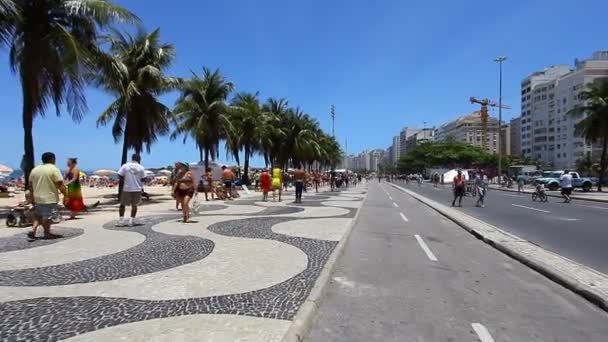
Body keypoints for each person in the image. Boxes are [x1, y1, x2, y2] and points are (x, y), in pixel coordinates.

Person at [28, 152, 66, 239]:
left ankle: (33, 230)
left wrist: (31, 198)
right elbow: (60, 184)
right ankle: (47, 233)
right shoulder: (54, 169)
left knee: (38, 216)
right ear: (52, 159)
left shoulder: (35, 170)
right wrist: (66, 194)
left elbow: (30, 186)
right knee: (47, 217)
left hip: (37, 197)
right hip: (49, 197)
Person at [116, 154, 145, 227]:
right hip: (137, 188)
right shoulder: (141, 168)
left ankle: (121, 221)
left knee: (122, 204)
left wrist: (124, 181)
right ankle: (131, 221)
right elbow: (143, 178)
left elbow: (119, 174)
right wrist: (139, 183)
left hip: (127, 188)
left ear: (132, 158)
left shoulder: (125, 166)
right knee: (134, 205)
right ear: (139, 159)